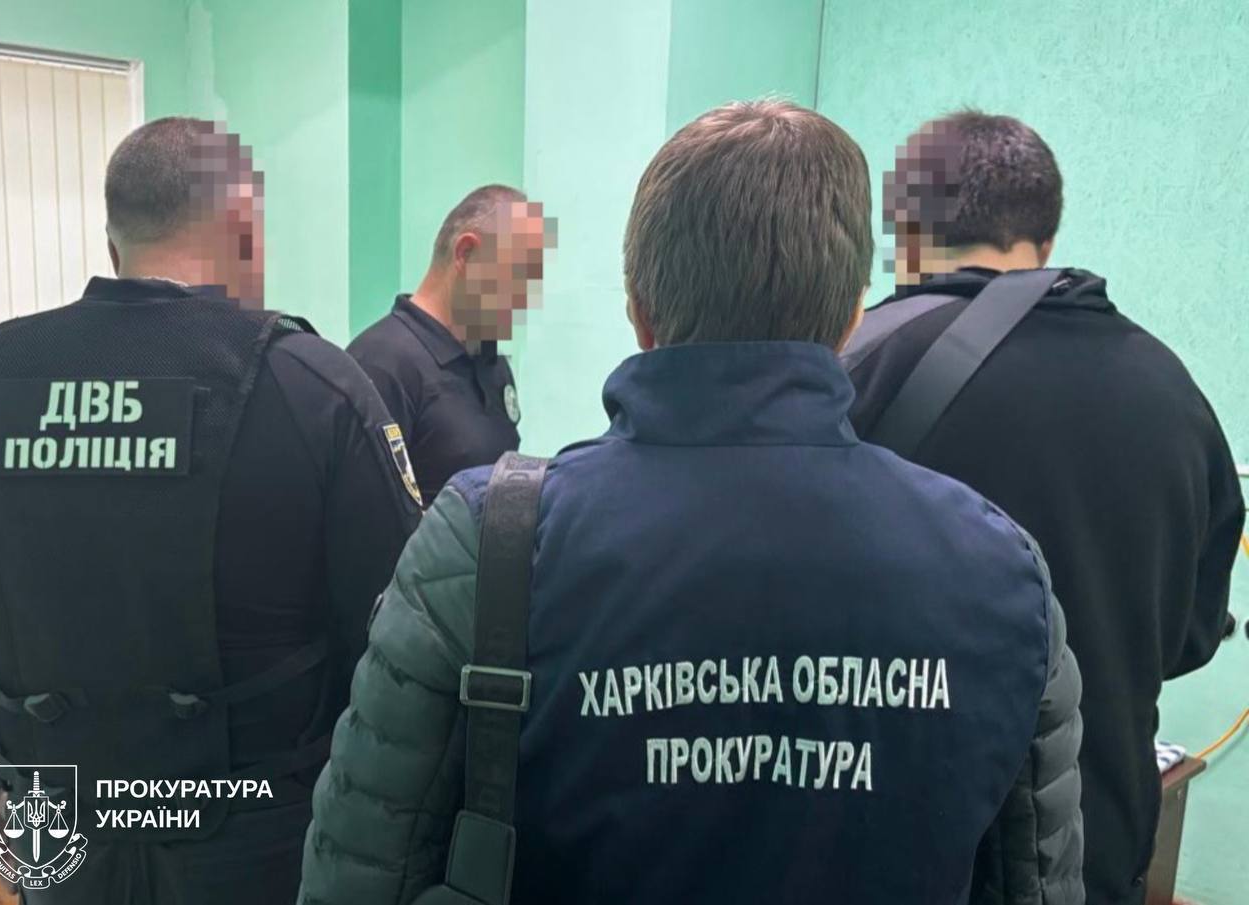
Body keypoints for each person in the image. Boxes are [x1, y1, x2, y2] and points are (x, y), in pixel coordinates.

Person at [299, 100, 1084, 905]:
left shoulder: (490, 543)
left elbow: (359, 871)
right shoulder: (1005, 576)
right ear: (853, 317)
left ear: (638, 311)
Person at [0, 117, 422, 904]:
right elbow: (393, 640)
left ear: (113, 248)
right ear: (244, 233)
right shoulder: (316, 388)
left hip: (59, 818)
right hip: (259, 831)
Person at [845, 110, 1244, 905]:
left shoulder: (854, 365)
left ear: (904, 232)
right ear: (1048, 237)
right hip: (1095, 845)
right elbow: (1190, 638)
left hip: (901, 844)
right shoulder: (1172, 390)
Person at [347, 185, 550, 506]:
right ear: (465, 253)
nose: (524, 299)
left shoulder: (492, 365)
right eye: (517, 275)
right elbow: (361, 514)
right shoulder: (381, 365)